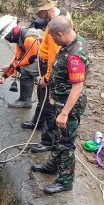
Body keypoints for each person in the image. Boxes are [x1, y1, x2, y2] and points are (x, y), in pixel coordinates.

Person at [31, 15, 89, 194]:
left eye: (53, 37)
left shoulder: (74, 56)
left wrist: (65, 113)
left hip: (68, 105)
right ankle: (52, 165)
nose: (52, 40)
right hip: (59, 101)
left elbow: (77, 87)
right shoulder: (70, 44)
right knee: (58, 137)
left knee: (65, 143)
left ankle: (65, 181)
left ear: (60, 34)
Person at [22, 0, 73, 153]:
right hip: (46, 64)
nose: (37, 15)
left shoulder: (55, 27)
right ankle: (37, 121)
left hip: (52, 69)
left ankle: (47, 140)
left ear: (45, 9)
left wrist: (47, 77)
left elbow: (54, 57)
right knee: (41, 96)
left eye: (38, 11)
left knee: (49, 103)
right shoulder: (58, 18)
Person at [0, 15, 42, 108]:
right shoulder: (20, 37)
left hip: (51, 62)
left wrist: (12, 65)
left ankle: (25, 101)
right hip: (41, 59)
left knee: (26, 70)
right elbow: (18, 58)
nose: (8, 39)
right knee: (20, 66)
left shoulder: (29, 38)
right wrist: (5, 75)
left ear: (13, 30)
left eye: (7, 36)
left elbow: (30, 59)